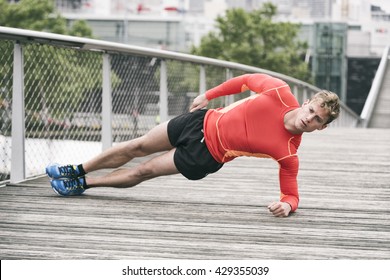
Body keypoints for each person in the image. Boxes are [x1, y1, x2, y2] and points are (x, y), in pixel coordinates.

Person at [46, 73, 340, 217]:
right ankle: (75, 168)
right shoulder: (278, 90)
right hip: (198, 122)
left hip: (206, 155)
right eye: (311, 111)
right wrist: (208, 95)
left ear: (321, 128)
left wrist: (287, 206)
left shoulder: (288, 151)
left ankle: (83, 183)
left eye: (317, 120)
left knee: (144, 170)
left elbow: (291, 194)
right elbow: (245, 80)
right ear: (306, 103)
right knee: (136, 147)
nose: (309, 119)